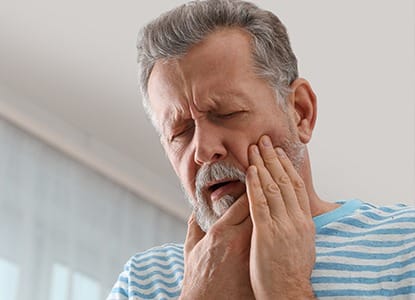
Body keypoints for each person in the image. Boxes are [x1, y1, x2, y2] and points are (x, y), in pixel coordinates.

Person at [107, 0, 415, 299]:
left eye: (226, 113)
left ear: (300, 112)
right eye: (180, 132)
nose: (203, 150)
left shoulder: (407, 241)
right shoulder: (142, 281)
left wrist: (286, 287)